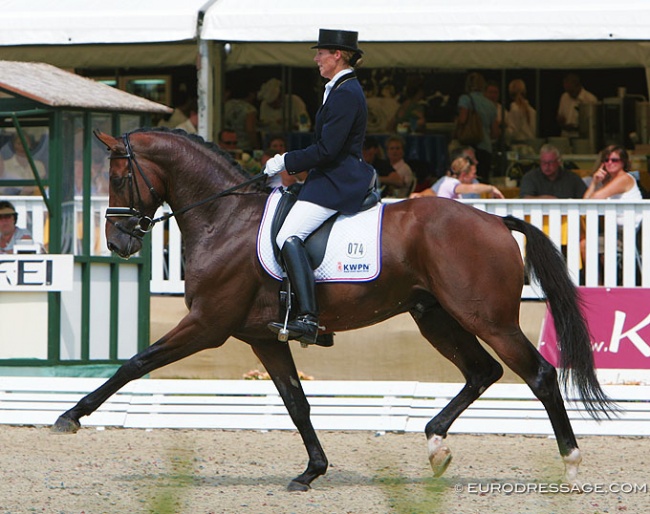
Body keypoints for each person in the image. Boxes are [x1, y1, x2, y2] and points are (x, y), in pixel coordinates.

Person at [263, 28, 374, 345]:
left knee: (287, 235)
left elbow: (327, 150)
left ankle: (310, 319)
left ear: (337, 55)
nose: (316, 59)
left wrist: (286, 160)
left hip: (338, 179)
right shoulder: (338, 88)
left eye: (320, 54)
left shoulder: (346, 93)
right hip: (329, 175)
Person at [581, 145, 642, 267]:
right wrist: (594, 182)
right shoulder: (610, 181)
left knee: (585, 244)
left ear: (623, 162)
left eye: (614, 160)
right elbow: (585, 203)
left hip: (628, 234)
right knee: (585, 243)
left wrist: (595, 186)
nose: (609, 163)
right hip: (615, 231)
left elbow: (593, 198)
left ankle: (597, 284)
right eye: (606, 160)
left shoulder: (624, 179)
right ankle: (598, 283)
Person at [456, 72, 499, 180]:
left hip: (469, 146)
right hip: (486, 147)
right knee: (483, 180)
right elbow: (495, 132)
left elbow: (462, 119)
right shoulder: (490, 104)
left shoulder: (465, 99)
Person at [411, 156, 503, 200]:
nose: (475, 176)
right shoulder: (450, 183)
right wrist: (491, 188)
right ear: (463, 175)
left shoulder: (473, 181)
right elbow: (471, 189)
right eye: (473, 173)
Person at [519, 144, 587, 199]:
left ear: (559, 162)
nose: (547, 166)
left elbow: (586, 198)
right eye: (543, 162)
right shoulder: (530, 177)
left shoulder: (572, 178)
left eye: (550, 162)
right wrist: (545, 199)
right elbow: (526, 198)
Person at [557, 73, 597, 137]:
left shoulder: (590, 99)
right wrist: (561, 121)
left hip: (582, 137)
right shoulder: (564, 96)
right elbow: (560, 116)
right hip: (565, 135)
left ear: (578, 86)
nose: (569, 94)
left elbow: (593, 124)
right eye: (567, 91)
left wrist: (576, 127)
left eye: (571, 91)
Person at [224, 82, 260, 153]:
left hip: (226, 143)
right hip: (245, 146)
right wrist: (256, 146)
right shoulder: (249, 109)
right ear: (251, 94)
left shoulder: (227, 104)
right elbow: (250, 129)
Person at [505, 79, 537, 143]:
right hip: (531, 143)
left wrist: (505, 130)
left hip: (518, 144)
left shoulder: (514, 110)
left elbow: (513, 132)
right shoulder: (532, 111)